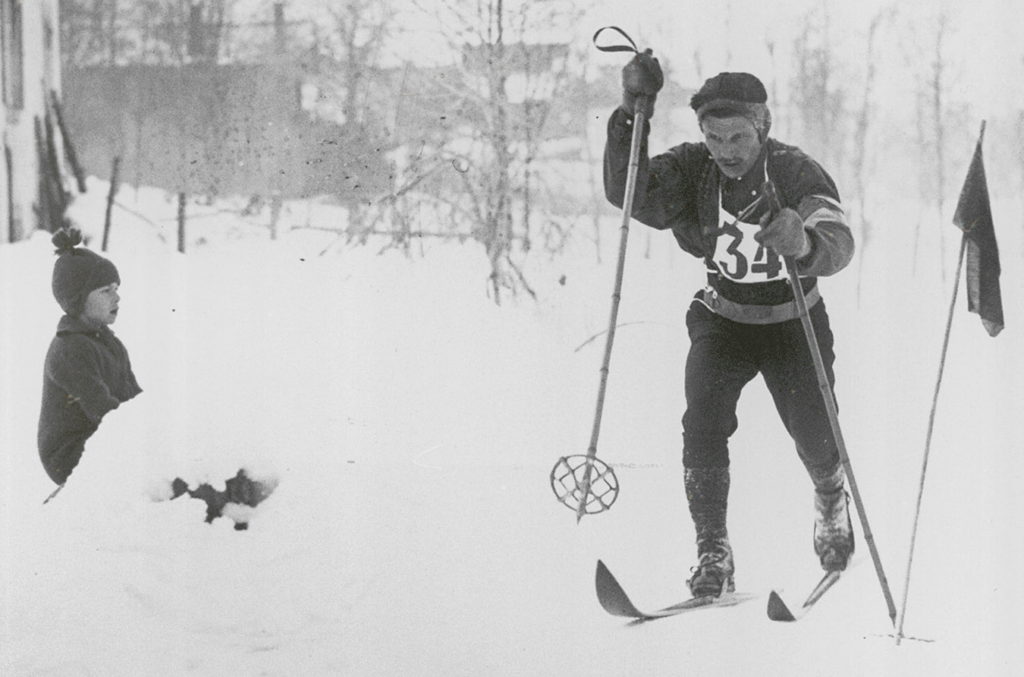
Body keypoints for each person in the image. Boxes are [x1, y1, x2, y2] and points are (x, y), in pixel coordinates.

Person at [604, 53, 856, 597]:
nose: (726, 151)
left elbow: (838, 239)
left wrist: (806, 241)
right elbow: (632, 192)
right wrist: (632, 113)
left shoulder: (794, 170)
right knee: (702, 424)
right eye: (714, 137)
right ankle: (712, 549)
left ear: (762, 128)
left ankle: (831, 499)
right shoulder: (694, 167)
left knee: (815, 431)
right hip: (724, 320)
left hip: (793, 322)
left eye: (738, 137)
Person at [38, 227, 142, 487]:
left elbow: (132, 397)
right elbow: (101, 407)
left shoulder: (109, 343)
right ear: (77, 300)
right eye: (105, 291)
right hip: (69, 455)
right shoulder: (70, 349)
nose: (117, 297)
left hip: (100, 441)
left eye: (116, 288)